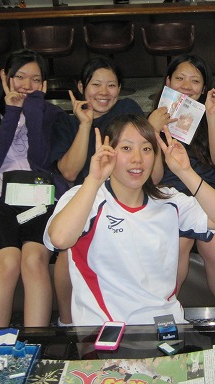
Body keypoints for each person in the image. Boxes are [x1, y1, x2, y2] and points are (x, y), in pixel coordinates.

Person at [43, 114, 215, 325]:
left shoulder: (168, 200)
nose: (137, 158)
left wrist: (185, 172)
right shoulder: (85, 197)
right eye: (126, 148)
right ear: (108, 151)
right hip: (106, 331)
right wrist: (94, 179)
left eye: (146, 149)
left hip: (165, 326)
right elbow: (60, 239)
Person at [0, 49, 70, 327]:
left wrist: (34, 111)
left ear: (44, 84)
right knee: (7, 261)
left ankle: (35, 339)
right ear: (5, 76)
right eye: (20, 77)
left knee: (33, 260)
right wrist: (13, 112)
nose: (27, 85)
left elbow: (40, 161)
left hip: (40, 196)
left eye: (35, 79)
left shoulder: (52, 114)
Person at [51, 56, 143, 326]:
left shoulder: (128, 110)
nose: (104, 92)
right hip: (85, 196)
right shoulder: (65, 122)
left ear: (120, 89)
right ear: (81, 86)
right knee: (67, 251)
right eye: (96, 84)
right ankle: (67, 323)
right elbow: (69, 172)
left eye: (111, 85)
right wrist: (84, 124)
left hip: (125, 195)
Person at [148, 54, 215, 322]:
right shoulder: (153, 118)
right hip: (170, 193)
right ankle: (165, 320)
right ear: (167, 82)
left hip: (209, 191)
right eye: (180, 78)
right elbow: (153, 178)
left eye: (195, 81)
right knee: (177, 241)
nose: (187, 86)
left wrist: (212, 116)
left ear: (204, 87)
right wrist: (152, 132)